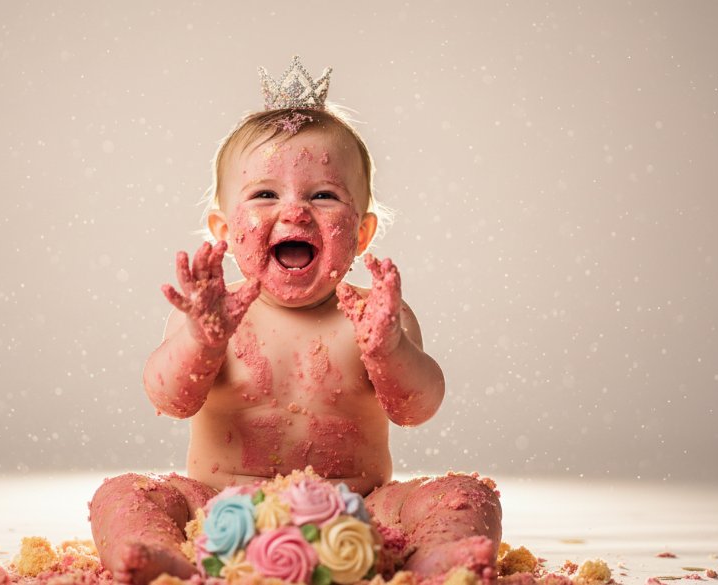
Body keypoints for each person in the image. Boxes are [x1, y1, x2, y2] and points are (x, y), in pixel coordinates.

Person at [89, 56, 501, 585]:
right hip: (217, 513)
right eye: (264, 194)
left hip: (361, 513)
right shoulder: (212, 316)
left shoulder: (376, 315)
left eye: (324, 195)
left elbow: (416, 408)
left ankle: (431, 559)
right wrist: (201, 340)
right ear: (223, 229)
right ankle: (160, 555)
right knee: (126, 494)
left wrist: (387, 349)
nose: (295, 212)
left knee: (464, 493)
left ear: (362, 234)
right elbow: (169, 399)